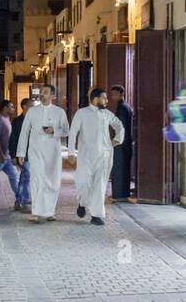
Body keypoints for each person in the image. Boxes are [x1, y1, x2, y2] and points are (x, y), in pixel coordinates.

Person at [70, 86, 124, 224]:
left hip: (105, 155)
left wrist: (118, 138)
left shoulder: (106, 114)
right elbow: (73, 132)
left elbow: (119, 125)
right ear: (95, 99)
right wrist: (71, 152)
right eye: (104, 98)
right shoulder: (82, 113)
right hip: (86, 155)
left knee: (100, 185)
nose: (107, 100)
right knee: (83, 182)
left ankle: (96, 215)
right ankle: (82, 202)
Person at [15, 83, 69, 221]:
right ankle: (36, 211)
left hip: (53, 152)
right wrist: (21, 153)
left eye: (45, 92)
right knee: (37, 179)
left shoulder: (59, 112)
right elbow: (24, 131)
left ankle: (50, 211)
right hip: (35, 151)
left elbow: (66, 131)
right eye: (41, 92)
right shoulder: (32, 111)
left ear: (53, 95)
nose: (42, 94)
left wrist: (54, 131)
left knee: (52, 180)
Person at [109, 84, 134, 202]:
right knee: (124, 168)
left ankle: (119, 195)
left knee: (119, 168)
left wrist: (116, 140)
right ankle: (123, 193)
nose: (113, 97)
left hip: (121, 142)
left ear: (122, 95)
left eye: (115, 94)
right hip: (127, 142)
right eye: (112, 94)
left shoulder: (122, 108)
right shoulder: (126, 106)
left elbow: (121, 126)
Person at [10, 96, 34, 212]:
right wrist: (14, 155)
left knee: (24, 177)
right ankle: (25, 202)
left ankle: (18, 201)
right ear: (24, 107)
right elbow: (13, 139)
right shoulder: (17, 121)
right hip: (22, 154)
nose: (33, 107)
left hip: (33, 153)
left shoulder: (34, 120)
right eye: (31, 105)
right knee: (27, 176)